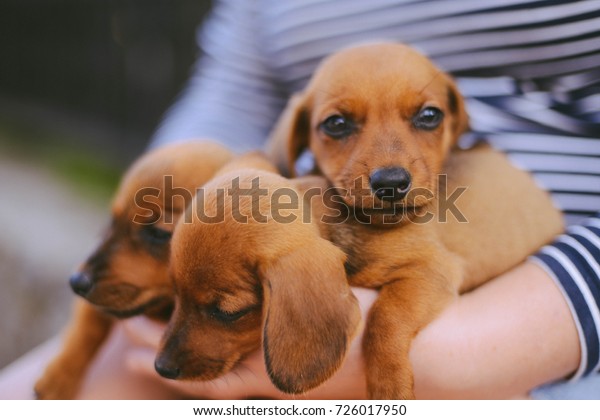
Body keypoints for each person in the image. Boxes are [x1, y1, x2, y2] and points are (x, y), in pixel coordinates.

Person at [1, 0, 598, 399]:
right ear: (299, 139)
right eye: (340, 127)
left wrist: (467, 353)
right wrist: (170, 229)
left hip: (554, 332)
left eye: (425, 117)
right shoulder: (286, 169)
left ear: (455, 125)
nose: (389, 172)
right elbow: (234, 87)